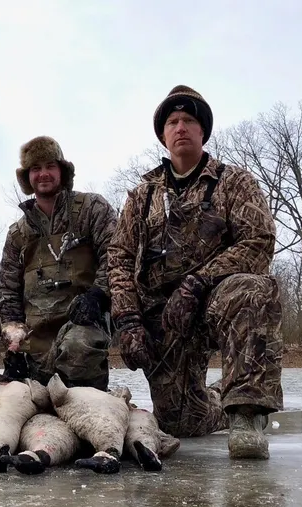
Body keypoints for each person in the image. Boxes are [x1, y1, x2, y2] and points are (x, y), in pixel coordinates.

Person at [108, 85, 283, 459]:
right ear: (163, 135)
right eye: (172, 122)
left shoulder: (234, 182)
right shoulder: (142, 196)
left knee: (252, 290)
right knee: (181, 422)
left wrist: (198, 282)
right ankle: (223, 398)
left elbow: (259, 241)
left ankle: (247, 415)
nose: (180, 127)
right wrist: (128, 321)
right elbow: (119, 259)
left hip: (215, 301)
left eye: (189, 120)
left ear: (203, 131)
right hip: (164, 317)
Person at [0, 136, 116, 390]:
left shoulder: (91, 209)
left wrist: (97, 295)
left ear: (62, 171)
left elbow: (115, 256)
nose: (43, 174)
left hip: (83, 327)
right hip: (35, 339)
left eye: (50, 166)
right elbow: (8, 290)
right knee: (13, 393)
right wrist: (13, 344)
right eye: (35, 168)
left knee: (78, 350)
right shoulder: (18, 234)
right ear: (27, 177)